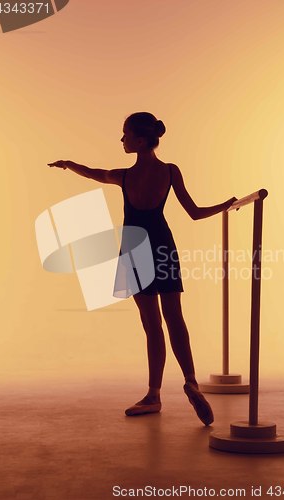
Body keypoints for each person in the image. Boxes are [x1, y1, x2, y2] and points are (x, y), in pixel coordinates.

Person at [48, 111, 238, 426]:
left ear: (139, 140)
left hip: (134, 249)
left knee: (152, 327)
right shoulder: (169, 171)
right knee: (175, 318)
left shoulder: (124, 176)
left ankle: (154, 394)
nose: (121, 140)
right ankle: (190, 380)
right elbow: (193, 212)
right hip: (162, 244)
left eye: (125, 135)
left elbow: (96, 173)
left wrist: (68, 164)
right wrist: (224, 206)